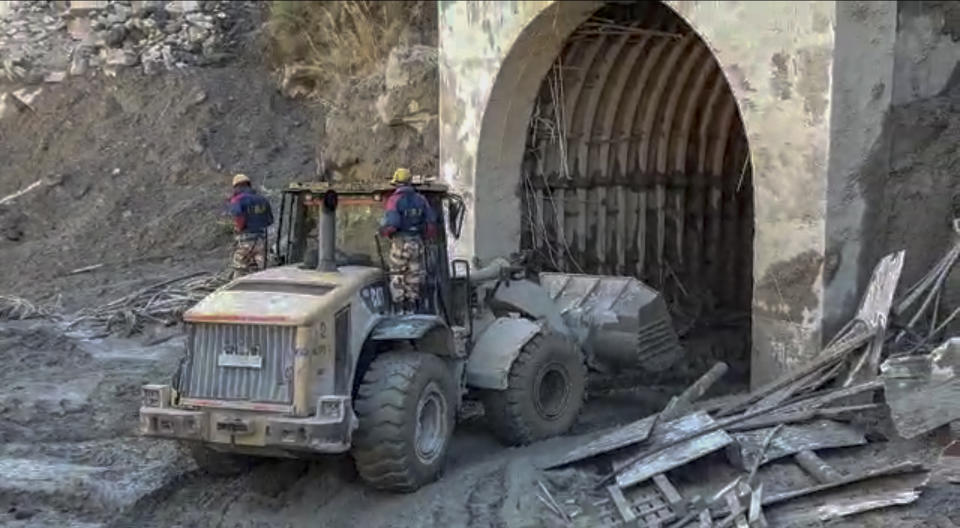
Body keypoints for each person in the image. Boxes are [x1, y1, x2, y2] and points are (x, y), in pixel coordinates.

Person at [379, 168, 437, 311]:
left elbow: (392, 224)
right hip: (417, 244)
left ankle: (398, 308)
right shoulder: (421, 200)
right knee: (414, 277)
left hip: (401, 243)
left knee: (397, 274)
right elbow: (431, 225)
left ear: (397, 183)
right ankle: (412, 307)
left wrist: (383, 232)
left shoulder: (394, 200)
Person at [228, 173, 273, 279]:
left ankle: (237, 292)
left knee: (239, 270)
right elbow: (270, 220)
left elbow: (238, 217)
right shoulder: (262, 200)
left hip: (245, 241)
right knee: (263, 272)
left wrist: (239, 228)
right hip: (261, 241)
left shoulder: (237, 200)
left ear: (236, 186)